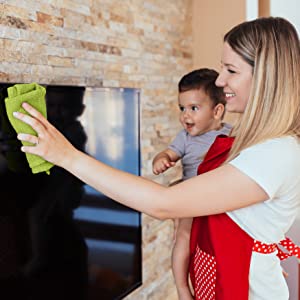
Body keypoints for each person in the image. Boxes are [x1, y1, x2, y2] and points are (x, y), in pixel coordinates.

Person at [13, 16, 300, 300]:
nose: (220, 79)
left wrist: (66, 156)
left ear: (264, 76)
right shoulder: (255, 142)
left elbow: (164, 205)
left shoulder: (276, 153)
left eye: (231, 70)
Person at [152, 68, 231, 299]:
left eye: (194, 108)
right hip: (191, 199)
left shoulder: (230, 135)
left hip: (220, 201)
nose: (185, 116)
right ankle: (183, 288)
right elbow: (167, 153)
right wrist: (162, 160)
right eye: (182, 108)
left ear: (217, 111)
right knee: (183, 238)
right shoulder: (184, 138)